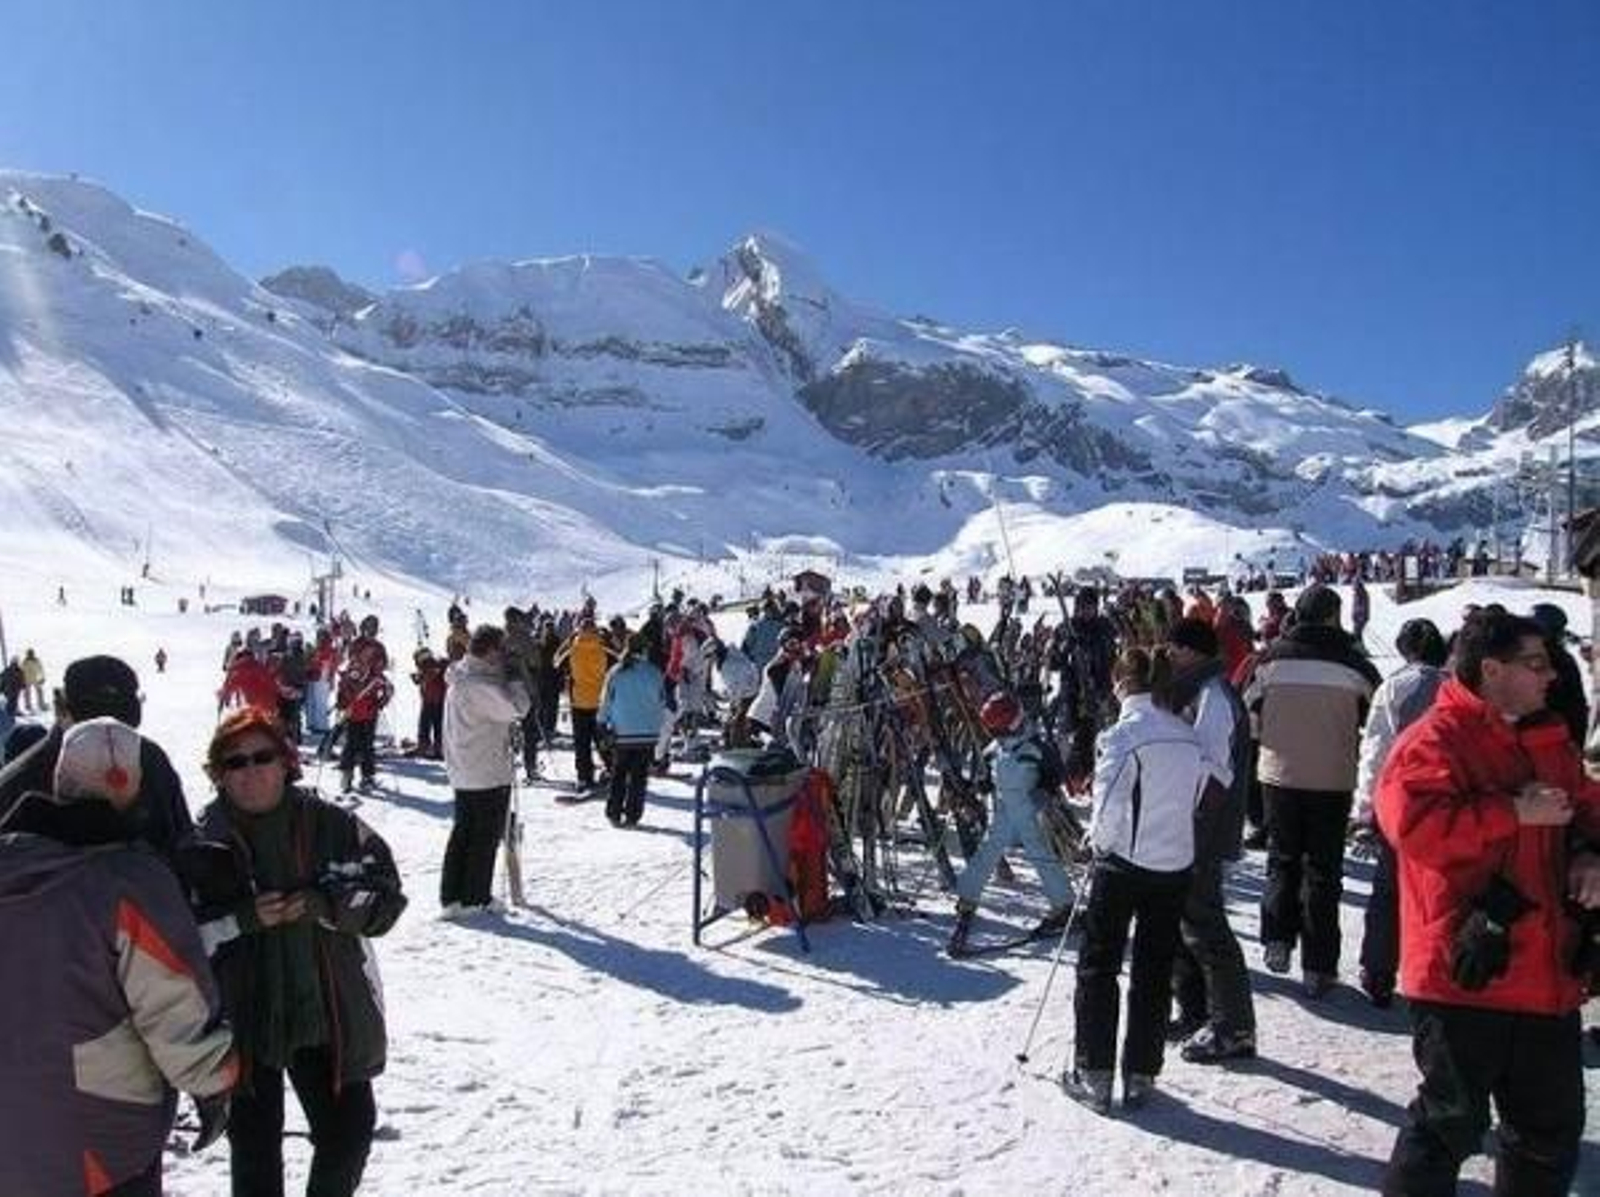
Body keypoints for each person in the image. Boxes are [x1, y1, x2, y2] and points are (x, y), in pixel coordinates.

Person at [1376, 608, 1600, 1195]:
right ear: (1492, 669)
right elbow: (1413, 826)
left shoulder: (1548, 736)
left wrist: (1589, 851)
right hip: (1466, 970)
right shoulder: (1434, 740)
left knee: (1548, 1134)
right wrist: (1512, 812)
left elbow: (1586, 807)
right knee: (1448, 1125)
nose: (1550, 675)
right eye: (1535, 664)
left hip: (1546, 972)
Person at [0, 718, 236, 1196]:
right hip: (96, 1137)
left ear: (59, 781)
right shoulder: (131, 882)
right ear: (133, 791)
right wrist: (213, 1083)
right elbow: (175, 1007)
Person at [189, 707, 405, 1197]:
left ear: (287, 761)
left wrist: (325, 905)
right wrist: (241, 918)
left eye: (262, 757)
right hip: (242, 1024)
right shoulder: (200, 842)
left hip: (327, 1017)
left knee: (348, 1137)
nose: (250, 771)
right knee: (254, 1157)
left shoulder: (334, 826)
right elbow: (176, 936)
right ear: (218, 773)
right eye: (234, 762)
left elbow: (387, 900)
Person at [1064, 647, 1205, 1114]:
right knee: (1154, 967)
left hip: (1125, 861)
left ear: (1121, 683)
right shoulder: (1186, 734)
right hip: (1174, 861)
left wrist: (1097, 841)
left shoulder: (1124, 734)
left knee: (1100, 963)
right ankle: (1142, 1073)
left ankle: (1095, 1071)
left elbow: (1110, 800)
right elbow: (1196, 792)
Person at [1243, 584, 1379, 995]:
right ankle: (1319, 965)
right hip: (1333, 777)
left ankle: (1277, 939)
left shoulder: (1270, 659)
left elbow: (1248, 707)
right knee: (1323, 869)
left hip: (1278, 774)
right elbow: (1374, 715)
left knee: (1282, 860)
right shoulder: (1354, 663)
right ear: (1333, 616)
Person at [1163, 618, 1257, 1063]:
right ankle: (1196, 1011)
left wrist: (1194, 825)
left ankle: (1234, 1026)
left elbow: (1214, 771)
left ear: (1193, 651)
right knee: (1184, 923)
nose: (1169, 656)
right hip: (1186, 825)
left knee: (1205, 926)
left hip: (1202, 827)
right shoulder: (1196, 691)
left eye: (1175, 649)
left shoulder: (1214, 697)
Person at [0, 654, 194, 862]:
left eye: (121, 726)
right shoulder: (20, 784)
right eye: (89, 722)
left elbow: (181, 836)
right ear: (62, 711)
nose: (107, 737)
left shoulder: (152, 760)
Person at [1352, 617, 1448, 1007]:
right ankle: (1439, 974)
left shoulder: (1394, 687)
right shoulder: (1457, 686)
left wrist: (1364, 809)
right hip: (1448, 801)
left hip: (1402, 802)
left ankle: (1378, 971)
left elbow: (1375, 752)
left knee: (1389, 891)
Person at [948, 691, 1074, 955]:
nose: (997, 735)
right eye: (994, 730)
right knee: (988, 852)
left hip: (1029, 810)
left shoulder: (1036, 747)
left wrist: (1046, 790)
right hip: (1004, 810)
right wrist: (976, 787)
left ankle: (1063, 905)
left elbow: (1056, 773)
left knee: (1041, 855)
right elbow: (986, 773)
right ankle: (967, 898)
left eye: (999, 728)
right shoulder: (997, 748)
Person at [441, 625, 531, 913]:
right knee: (484, 836)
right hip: (486, 768)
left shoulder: (464, 677)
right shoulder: (477, 686)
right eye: (500, 650)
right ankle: (475, 896)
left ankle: (452, 896)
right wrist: (516, 680)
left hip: (466, 766)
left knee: (464, 831)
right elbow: (517, 708)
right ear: (490, 651)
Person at [597, 633, 668, 827]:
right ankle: (633, 815)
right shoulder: (654, 672)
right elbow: (662, 703)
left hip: (622, 732)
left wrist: (602, 723)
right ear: (644, 649)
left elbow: (606, 702)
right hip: (647, 732)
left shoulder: (617, 671)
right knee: (639, 776)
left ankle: (614, 812)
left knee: (619, 773)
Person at [553, 615, 613, 792]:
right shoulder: (603, 649)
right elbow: (619, 660)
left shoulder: (572, 649)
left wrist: (568, 641)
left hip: (579, 701)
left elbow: (555, 662)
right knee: (602, 738)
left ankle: (584, 777)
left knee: (582, 742)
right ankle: (613, 769)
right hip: (601, 701)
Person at [335, 616, 391, 793]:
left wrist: (382, 698)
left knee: (367, 742)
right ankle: (346, 774)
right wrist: (343, 697)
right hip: (355, 701)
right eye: (369, 627)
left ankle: (367, 776)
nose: (372, 630)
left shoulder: (379, 647)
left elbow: (383, 667)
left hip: (370, 704)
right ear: (364, 627)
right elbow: (349, 670)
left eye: (375, 627)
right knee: (352, 741)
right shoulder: (356, 645)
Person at [20, 648, 45, 713]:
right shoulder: (25, 662)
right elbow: (22, 671)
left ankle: (40, 704)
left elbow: (40, 669)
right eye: (29, 654)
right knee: (27, 693)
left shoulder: (35, 661)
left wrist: (42, 677)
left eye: (31, 654)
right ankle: (28, 705)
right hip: (28, 679)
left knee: (39, 691)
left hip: (35, 678)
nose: (30, 655)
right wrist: (22, 680)